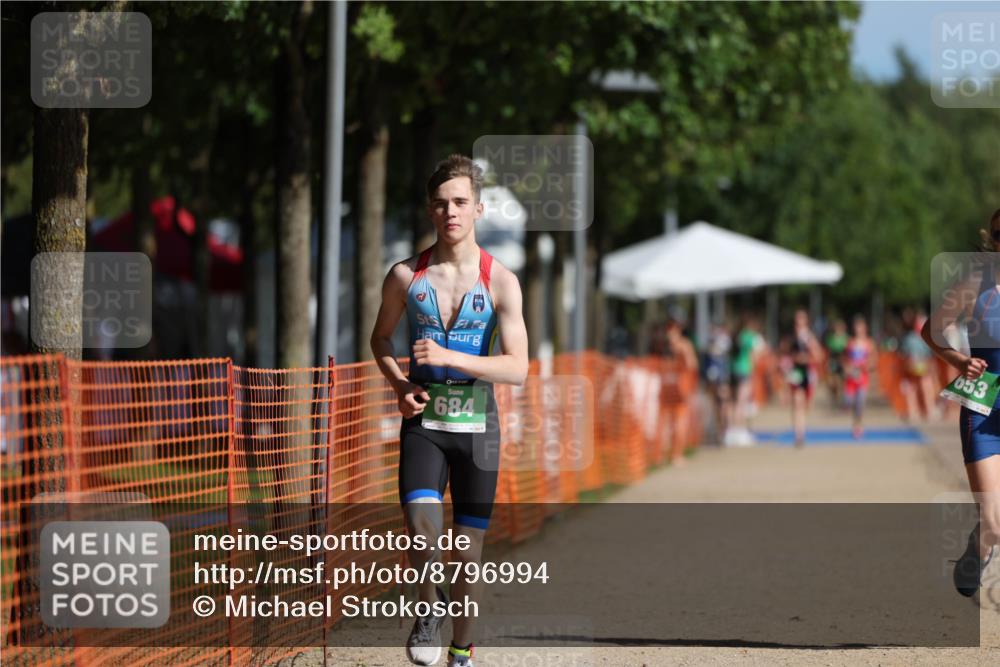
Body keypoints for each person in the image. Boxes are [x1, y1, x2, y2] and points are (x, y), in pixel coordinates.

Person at [370, 155, 529, 666]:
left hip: (478, 427)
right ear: (429, 211)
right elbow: (380, 338)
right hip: (425, 424)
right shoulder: (404, 276)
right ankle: (428, 609)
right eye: (441, 204)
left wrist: (449, 357)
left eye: (460, 202)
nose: (451, 212)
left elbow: (518, 368)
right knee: (421, 525)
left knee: (467, 555)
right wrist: (398, 383)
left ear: (478, 208)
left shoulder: (501, 281)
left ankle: (461, 651)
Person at [921, 208, 1000, 597]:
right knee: (997, 522)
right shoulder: (975, 285)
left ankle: (979, 540)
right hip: (985, 409)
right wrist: (959, 360)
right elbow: (930, 330)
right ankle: (982, 541)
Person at [656, 312, 699, 465]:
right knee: (678, 421)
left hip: (667, 385)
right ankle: (675, 455)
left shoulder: (661, 344)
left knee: (665, 422)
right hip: (679, 386)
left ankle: (663, 454)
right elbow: (692, 364)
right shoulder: (683, 345)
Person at [783, 309, 824, 448]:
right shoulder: (791, 337)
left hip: (806, 372)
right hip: (795, 373)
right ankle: (798, 435)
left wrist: (805, 358)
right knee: (796, 402)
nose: (799, 323)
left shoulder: (809, 338)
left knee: (804, 405)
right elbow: (784, 353)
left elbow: (818, 356)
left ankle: (801, 430)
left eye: (802, 320)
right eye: (797, 320)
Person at [728, 314, 765, 446]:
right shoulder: (750, 337)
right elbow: (754, 355)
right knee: (741, 402)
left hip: (733, 369)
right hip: (744, 370)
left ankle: (732, 429)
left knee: (733, 402)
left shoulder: (737, 335)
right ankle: (737, 431)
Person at [901, 308, 938, 422]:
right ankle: (913, 411)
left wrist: (930, 367)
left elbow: (930, 356)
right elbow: (905, 355)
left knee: (926, 386)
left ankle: (929, 410)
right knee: (911, 389)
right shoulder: (910, 338)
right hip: (912, 367)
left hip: (923, 367)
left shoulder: (927, 338)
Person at [843, 315, 875, 440]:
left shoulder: (869, 343)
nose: (858, 329)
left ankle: (857, 426)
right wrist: (847, 368)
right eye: (857, 327)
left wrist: (866, 366)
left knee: (860, 403)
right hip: (851, 378)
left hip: (863, 378)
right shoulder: (850, 342)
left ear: (865, 328)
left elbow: (873, 360)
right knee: (849, 401)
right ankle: (854, 420)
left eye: (860, 327)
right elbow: (845, 359)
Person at [703, 320, 732, 444]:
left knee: (722, 403)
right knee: (714, 404)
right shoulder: (709, 344)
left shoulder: (724, 341)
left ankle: (723, 428)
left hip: (722, 378)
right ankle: (715, 432)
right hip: (713, 380)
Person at [825, 319, 849, 408]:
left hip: (842, 362)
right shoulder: (830, 338)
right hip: (833, 361)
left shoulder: (846, 338)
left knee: (841, 381)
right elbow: (828, 351)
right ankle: (834, 395)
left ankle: (842, 398)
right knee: (831, 381)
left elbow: (848, 352)